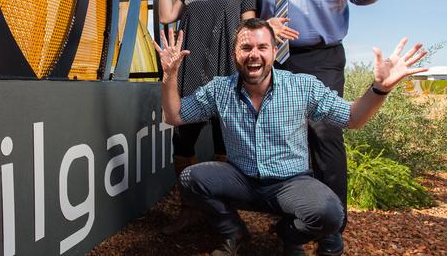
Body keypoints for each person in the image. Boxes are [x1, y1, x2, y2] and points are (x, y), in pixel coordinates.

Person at [153, 18, 426, 256]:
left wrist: (379, 89)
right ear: (235, 53)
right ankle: (234, 232)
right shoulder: (219, 89)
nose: (253, 55)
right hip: (242, 180)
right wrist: (170, 74)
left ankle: (288, 235)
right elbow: (175, 116)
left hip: (290, 184)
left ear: (274, 51)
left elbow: (353, 118)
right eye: (246, 48)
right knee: (192, 178)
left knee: (330, 214)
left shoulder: (301, 86)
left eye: (262, 47)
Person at [254, 0, 405, 254]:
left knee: (324, 136)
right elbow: (258, 23)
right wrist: (266, 26)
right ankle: (297, 220)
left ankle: (331, 227)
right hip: (278, 64)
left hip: (320, 60)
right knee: (286, 142)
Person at [154, 0, 262, 234]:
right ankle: (188, 210)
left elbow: (249, 32)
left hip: (228, 78)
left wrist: (266, 32)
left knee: (224, 147)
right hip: (192, 78)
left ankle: (223, 218)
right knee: (182, 144)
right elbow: (165, 15)